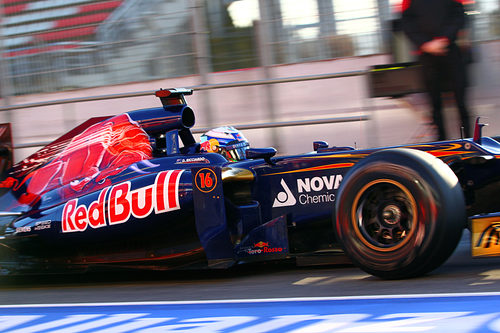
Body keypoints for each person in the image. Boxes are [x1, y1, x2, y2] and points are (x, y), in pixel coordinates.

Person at [401, 0, 471, 140]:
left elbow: (458, 15)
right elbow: (407, 23)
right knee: (435, 105)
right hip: (427, 57)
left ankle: (468, 143)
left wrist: (444, 39)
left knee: (461, 102)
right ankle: (442, 145)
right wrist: (425, 44)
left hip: (450, 51)